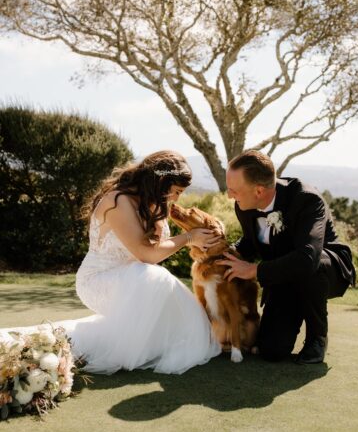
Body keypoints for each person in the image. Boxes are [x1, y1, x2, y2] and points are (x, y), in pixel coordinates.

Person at [2, 151, 221, 374]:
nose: (175, 199)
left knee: (181, 311)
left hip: (136, 280)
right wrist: (189, 237)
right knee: (156, 277)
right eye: (175, 191)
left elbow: (155, 251)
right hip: (99, 279)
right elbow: (147, 254)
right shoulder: (117, 201)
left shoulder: (155, 203)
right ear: (159, 182)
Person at [217, 150, 355, 364]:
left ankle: (317, 338)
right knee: (272, 350)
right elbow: (250, 242)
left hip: (324, 269)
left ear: (259, 191)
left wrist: (254, 271)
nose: (229, 196)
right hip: (283, 276)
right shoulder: (243, 206)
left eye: (234, 190)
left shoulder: (306, 199)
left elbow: (307, 257)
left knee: (313, 265)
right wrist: (220, 253)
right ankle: (294, 307)